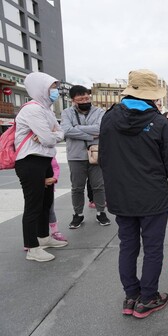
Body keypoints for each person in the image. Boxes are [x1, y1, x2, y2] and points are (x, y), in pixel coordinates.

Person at [99, 69, 168, 318]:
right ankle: (148, 298)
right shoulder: (159, 122)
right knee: (153, 248)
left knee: (127, 245)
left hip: (120, 195)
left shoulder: (109, 119)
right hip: (152, 196)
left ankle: (131, 296)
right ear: (152, 95)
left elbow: (103, 158)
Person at [14, 72, 68, 262]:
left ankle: (44, 238)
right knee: (33, 205)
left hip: (44, 160)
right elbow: (48, 137)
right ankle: (32, 247)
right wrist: (52, 136)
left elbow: (61, 133)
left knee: (46, 203)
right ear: (40, 88)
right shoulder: (32, 110)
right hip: (30, 161)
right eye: (52, 87)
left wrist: (53, 136)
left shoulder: (47, 110)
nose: (55, 91)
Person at [61, 85, 110, 228]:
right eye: (81, 98)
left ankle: (101, 212)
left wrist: (77, 128)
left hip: (95, 153)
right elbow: (66, 130)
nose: (85, 100)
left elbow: (101, 129)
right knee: (77, 187)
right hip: (75, 156)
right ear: (73, 100)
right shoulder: (66, 113)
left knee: (99, 186)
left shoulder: (99, 111)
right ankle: (78, 214)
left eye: (87, 98)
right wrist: (91, 134)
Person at [48, 157, 67, 241]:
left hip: (49, 185)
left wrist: (54, 178)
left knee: (50, 209)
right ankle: (32, 238)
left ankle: (55, 231)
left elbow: (55, 167)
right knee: (34, 211)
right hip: (33, 186)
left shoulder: (49, 153)